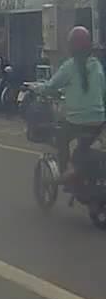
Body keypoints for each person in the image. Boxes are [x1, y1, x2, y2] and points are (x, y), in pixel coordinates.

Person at [32, 26, 106, 184]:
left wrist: (36, 88)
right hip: (99, 122)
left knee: (60, 136)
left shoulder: (69, 66)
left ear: (71, 46)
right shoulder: (97, 66)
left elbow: (51, 86)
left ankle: (66, 172)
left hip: (77, 121)